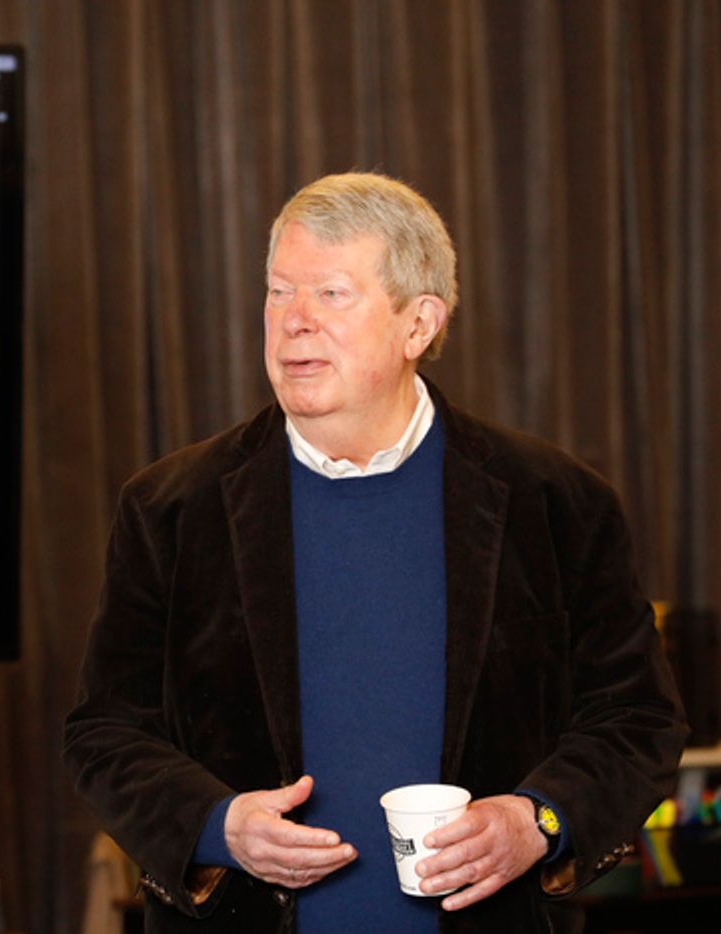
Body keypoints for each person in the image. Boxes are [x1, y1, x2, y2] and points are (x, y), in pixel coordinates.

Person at [63, 173, 687, 933]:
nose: (294, 321)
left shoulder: (555, 504)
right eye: (278, 291)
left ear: (418, 324)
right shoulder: (170, 509)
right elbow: (105, 732)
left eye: (330, 294)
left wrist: (538, 822)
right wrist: (214, 824)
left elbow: (636, 720)